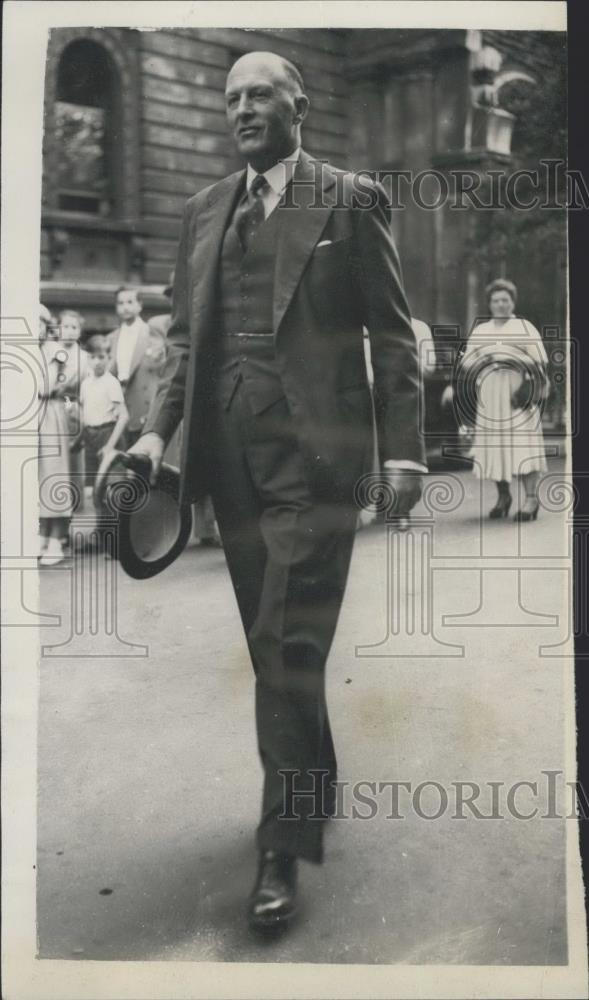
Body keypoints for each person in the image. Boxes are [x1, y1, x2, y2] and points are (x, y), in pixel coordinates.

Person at [129, 51, 425, 930]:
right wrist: (155, 428)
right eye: (231, 100)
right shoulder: (203, 209)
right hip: (231, 462)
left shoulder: (348, 198)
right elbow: (184, 338)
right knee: (276, 648)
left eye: (260, 95)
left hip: (317, 464)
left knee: (284, 640)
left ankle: (281, 845)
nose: (242, 110)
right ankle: (314, 780)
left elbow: (394, 335)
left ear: (300, 107)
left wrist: (404, 456)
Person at [461, 278, 548, 521]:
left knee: (522, 442)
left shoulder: (524, 327)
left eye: (505, 300)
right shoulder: (481, 330)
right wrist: (484, 361)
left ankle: (531, 500)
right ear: (489, 304)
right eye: (496, 300)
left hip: (518, 390)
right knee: (495, 444)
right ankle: (503, 497)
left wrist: (514, 359)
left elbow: (540, 361)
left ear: (512, 302)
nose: (501, 305)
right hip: (490, 392)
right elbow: (467, 362)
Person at [38, 308, 87, 566]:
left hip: (52, 412)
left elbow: (63, 384)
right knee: (36, 477)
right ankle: (42, 534)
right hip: (31, 414)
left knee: (53, 474)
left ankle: (57, 538)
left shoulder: (56, 352)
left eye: (40, 323)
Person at [72, 333, 129, 550]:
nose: (98, 361)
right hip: (91, 437)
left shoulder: (111, 383)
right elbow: (86, 414)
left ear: (109, 358)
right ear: (87, 358)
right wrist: (78, 441)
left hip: (108, 436)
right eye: (93, 357)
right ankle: (102, 536)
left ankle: (117, 541)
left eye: (102, 356)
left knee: (113, 490)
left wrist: (110, 445)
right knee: (94, 491)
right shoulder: (86, 384)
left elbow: (123, 417)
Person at [108, 286, 166, 449]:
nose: (125, 307)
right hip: (121, 404)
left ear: (140, 305)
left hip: (143, 403)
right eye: (120, 303)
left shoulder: (152, 334)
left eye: (130, 302)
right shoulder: (112, 337)